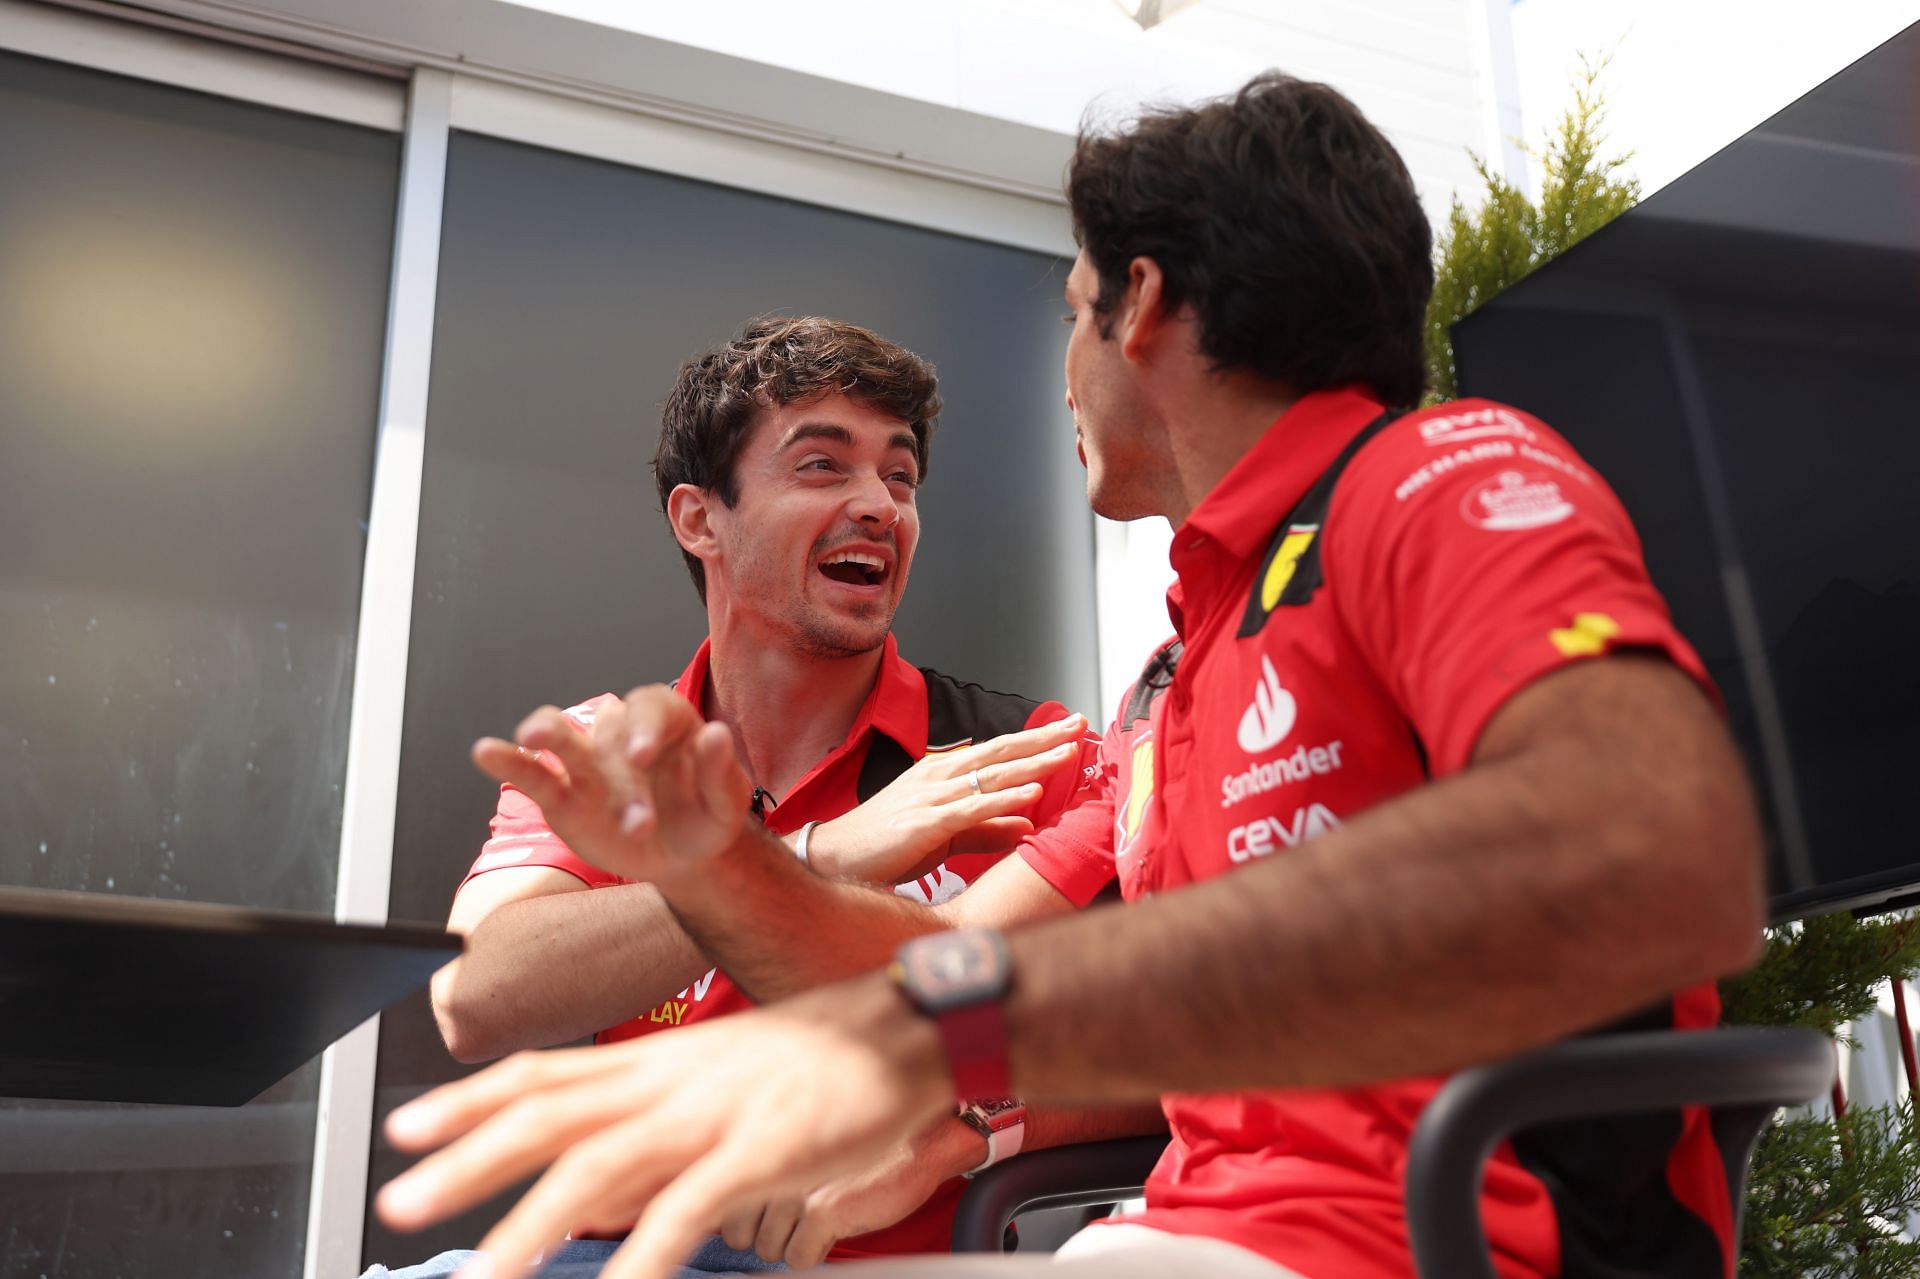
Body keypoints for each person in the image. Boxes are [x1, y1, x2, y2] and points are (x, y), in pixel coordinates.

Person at [374, 74, 1765, 1279]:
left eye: (1072, 311)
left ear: (1141, 306)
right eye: (824, 464)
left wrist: (922, 1064)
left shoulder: (1437, 476)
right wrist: (726, 873)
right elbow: (950, 974)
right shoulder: (1174, 679)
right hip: (1181, 1233)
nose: (1059, 378)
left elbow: (1653, 846)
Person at [368, 316, 1149, 1279]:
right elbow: (475, 995)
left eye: (900, 477)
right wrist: (816, 860)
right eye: (823, 466)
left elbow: (1173, 1062)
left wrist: (962, 1128)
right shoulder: (613, 751)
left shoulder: (1024, 756)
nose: (880, 505)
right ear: (700, 519)